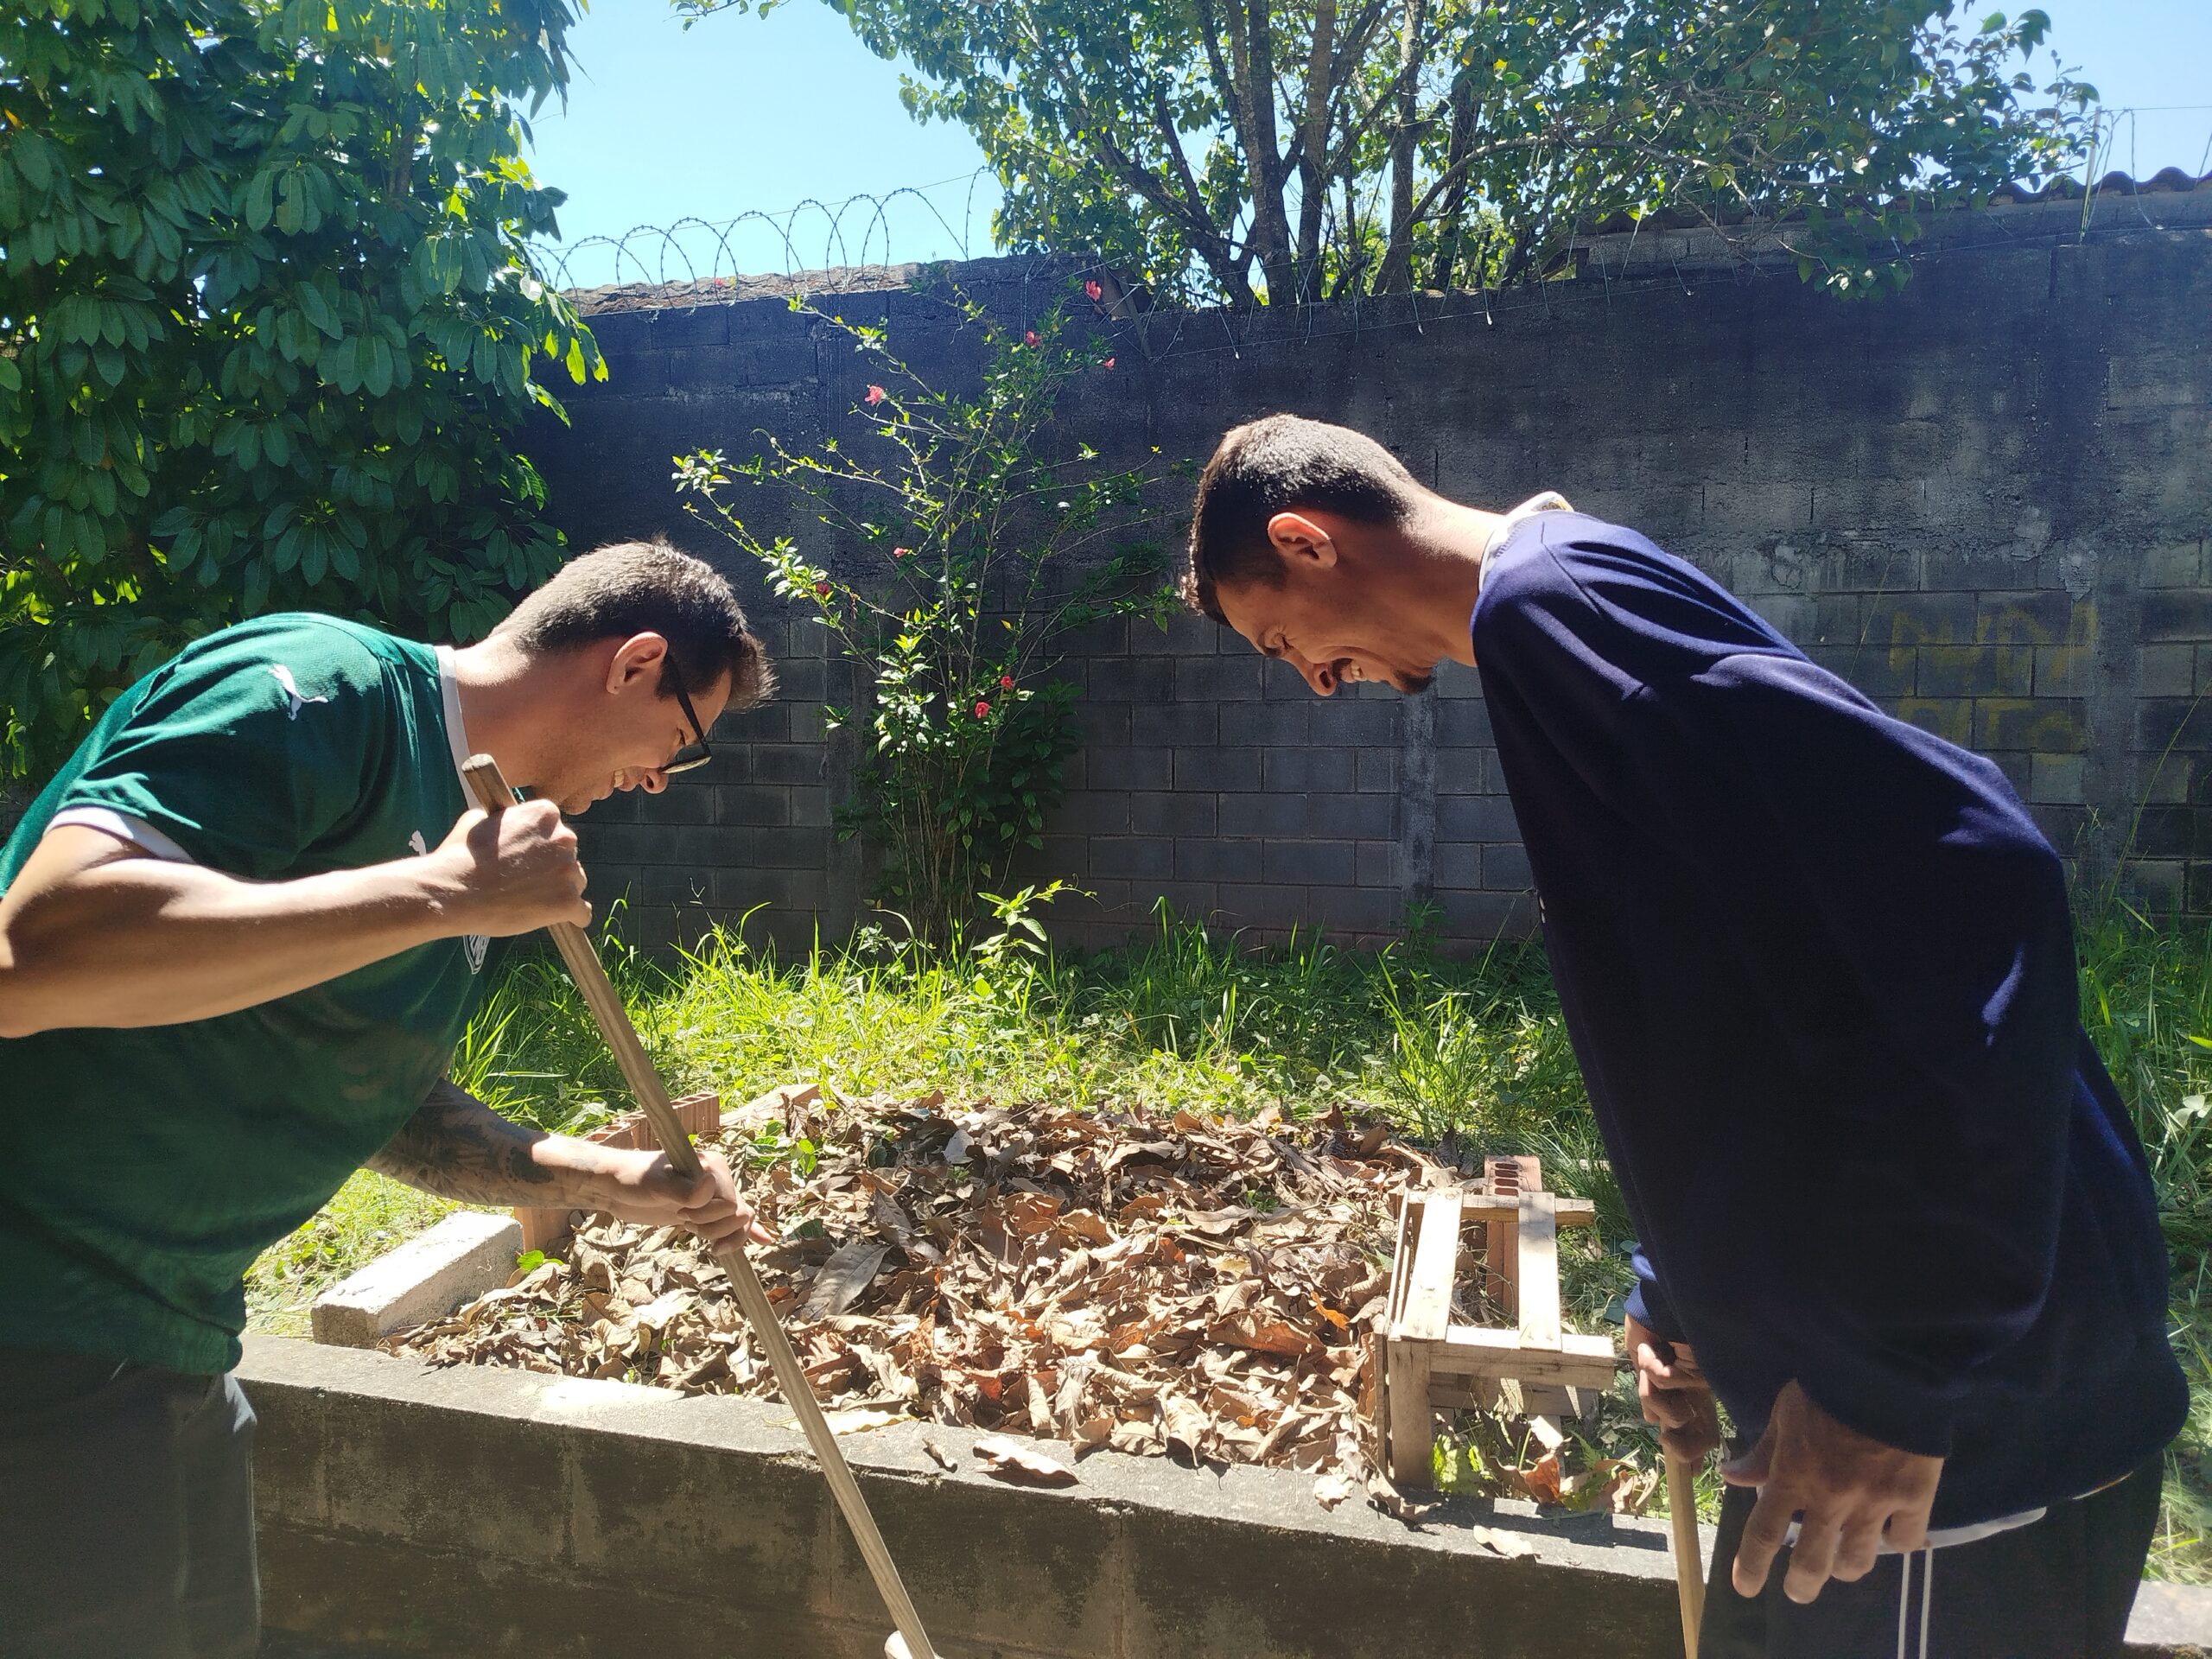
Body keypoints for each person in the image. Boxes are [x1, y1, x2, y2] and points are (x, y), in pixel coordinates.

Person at [1178, 415, 2185, 1658]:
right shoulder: (1561, 611)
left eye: (1285, 642)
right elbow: (1744, 983)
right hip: (1856, 1412)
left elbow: (1975, 873)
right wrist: (1690, 1289)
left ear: (1305, 541)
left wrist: (1899, 1377)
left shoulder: (1553, 607)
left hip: (1949, 1450)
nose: (1317, 682)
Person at [0, 539, 779, 1659]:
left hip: (168, 1345)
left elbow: (379, 1098)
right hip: (35, 1326)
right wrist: (438, 893)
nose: (660, 778)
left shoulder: (473, 845)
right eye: (683, 739)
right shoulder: (329, 690)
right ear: (634, 664)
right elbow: (34, 956)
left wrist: (610, 1180)